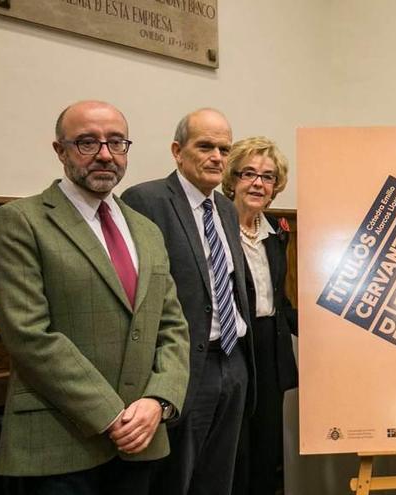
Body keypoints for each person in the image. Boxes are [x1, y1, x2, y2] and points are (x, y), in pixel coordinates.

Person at [0, 100, 190, 495]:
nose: (105, 155)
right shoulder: (21, 221)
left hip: (140, 438)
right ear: (60, 150)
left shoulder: (146, 230)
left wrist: (158, 401)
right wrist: (111, 415)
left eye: (116, 143)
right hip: (61, 442)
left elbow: (172, 326)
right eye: (87, 143)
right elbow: (30, 336)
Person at [122, 108, 255, 495]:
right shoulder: (145, 200)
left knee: (218, 477)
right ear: (178, 151)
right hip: (183, 367)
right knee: (177, 479)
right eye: (206, 146)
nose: (216, 157)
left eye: (224, 149)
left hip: (233, 360)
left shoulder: (227, 209)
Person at [222, 136, 298, 495]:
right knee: (234, 448)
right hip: (232, 348)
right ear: (232, 180)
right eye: (248, 173)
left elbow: (278, 303)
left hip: (270, 350)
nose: (258, 183)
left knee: (268, 447)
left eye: (267, 177)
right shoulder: (215, 231)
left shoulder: (274, 234)